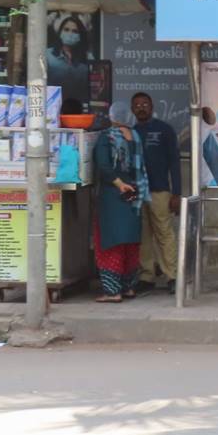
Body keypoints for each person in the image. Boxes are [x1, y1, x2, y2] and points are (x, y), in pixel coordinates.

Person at [131, 92, 182, 292]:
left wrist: (176, 193)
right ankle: (146, 276)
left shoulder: (164, 130)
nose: (141, 107)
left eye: (145, 104)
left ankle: (172, 276)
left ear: (151, 108)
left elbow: (175, 163)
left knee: (164, 233)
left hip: (160, 191)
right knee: (143, 236)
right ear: (132, 109)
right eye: (137, 105)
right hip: (137, 193)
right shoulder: (132, 132)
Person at [93, 122, 148, 302]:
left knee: (112, 242)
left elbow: (104, 165)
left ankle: (113, 291)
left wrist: (118, 184)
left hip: (114, 195)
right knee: (130, 243)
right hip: (135, 194)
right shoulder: (136, 136)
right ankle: (129, 287)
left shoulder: (106, 137)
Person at [46, 15, 91, 106]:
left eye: (75, 31)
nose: (70, 34)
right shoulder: (48, 55)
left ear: (80, 35)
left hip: (79, 109)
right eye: (66, 30)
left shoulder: (88, 58)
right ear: (60, 32)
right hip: (52, 108)